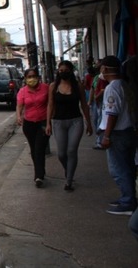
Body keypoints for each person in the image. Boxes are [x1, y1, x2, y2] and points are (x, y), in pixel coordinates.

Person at [97, 55, 136, 215]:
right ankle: (128, 197)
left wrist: (106, 136)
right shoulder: (124, 85)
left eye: (101, 67)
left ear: (105, 69)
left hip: (117, 134)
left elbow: (112, 114)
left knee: (118, 169)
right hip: (128, 132)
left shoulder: (112, 88)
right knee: (127, 167)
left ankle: (128, 202)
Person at [46, 60, 92, 192]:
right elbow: (50, 105)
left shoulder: (78, 86)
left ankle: (69, 180)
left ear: (71, 71)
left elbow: (84, 105)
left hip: (75, 121)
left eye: (65, 70)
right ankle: (68, 169)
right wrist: (48, 122)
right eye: (60, 71)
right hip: (59, 122)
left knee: (71, 151)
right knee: (61, 154)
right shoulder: (53, 86)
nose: (63, 73)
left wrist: (88, 123)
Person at [16, 68, 50, 188]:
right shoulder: (22, 91)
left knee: (39, 149)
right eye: (29, 77)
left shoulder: (46, 88)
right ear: (25, 79)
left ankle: (38, 176)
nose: (32, 79)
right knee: (34, 149)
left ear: (38, 77)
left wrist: (49, 121)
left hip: (43, 123)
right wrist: (19, 116)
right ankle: (40, 171)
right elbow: (19, 106)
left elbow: (51, 104)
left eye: (34, 76)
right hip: (29, 124)